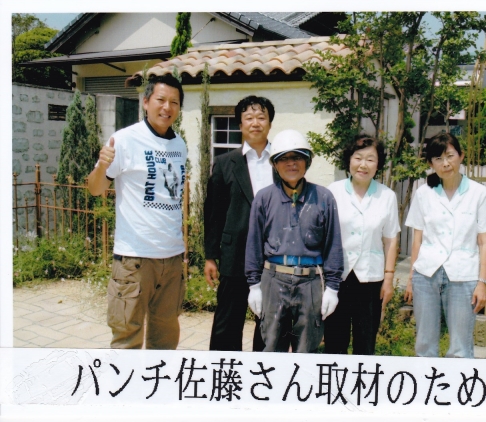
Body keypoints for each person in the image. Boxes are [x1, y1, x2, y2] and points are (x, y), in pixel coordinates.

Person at [87, 74, 187, 349]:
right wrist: (101, 166)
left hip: (172, 258)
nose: (167, 107)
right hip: (135, 259)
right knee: (126, 339)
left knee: (165, 340)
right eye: (161, 100)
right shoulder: (124, 140)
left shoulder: (179, 144)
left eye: (174, 102)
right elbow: (95, 188)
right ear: (145, 102)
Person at [403, 132, 486, 358]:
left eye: (450, 156)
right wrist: (411, 278)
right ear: (431, 163)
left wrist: (482, 282)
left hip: (463, 275)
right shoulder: (423, 193)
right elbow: (417, 239)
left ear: (461, 156)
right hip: (426, 274)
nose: (445, 163)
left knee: (460, 347)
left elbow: (484, 242)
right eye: (438, 158)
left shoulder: (478, 193)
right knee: (425, 344)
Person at [245, 129, 343, 353]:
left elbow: (333, 245)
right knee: (271, 348)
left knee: (306, 350)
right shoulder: (264, 198)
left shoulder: (323, 198)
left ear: (307, 161)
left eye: (297, 157)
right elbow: (254, 244)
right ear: (275, 164)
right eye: (284, 158)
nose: (291, 163)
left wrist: (332, 288)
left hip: (310, 282)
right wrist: (254, 286)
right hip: (273, 280)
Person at [204, 95, 276, 351]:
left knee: (269, 323)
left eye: (261, 117)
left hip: (273, 256)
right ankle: (224, 370)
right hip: (234, 254)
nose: (256, 123)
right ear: (240, 124)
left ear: (269, 123)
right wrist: (210, 256)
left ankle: (262, 371)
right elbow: (214, 213)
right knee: (227, 323)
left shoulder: (282, 162)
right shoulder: (225, 163)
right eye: (249, 118)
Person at [324, 135, 400, 355]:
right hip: (337, 277)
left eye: (370, 159)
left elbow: (391, 239)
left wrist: (388, 278)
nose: (363, 165)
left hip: (371, 279)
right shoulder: (333, 192)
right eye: (358, 158)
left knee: (365, 344)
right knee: (334, 342)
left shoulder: (387, 196)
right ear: (349, 160)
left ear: (378, 164)